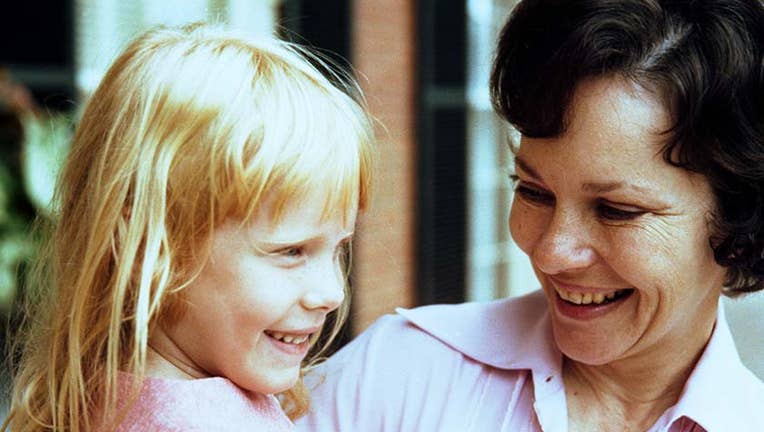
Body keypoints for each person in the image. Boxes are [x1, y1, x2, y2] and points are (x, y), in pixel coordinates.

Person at [295, 0, 764, 431]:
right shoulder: (397, 374)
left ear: (738, 223)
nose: (551, 251)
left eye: (616, 211)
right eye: (535, 191)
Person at [2, 22, 374, 431]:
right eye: (291, 251)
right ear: (149, 244)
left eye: (338, 248)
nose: (332, 293)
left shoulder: (93, 397)